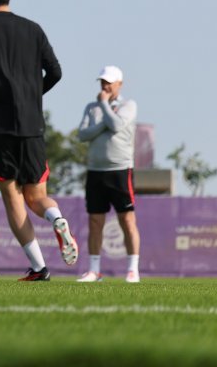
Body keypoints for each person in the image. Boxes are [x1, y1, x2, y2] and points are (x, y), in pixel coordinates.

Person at [0, 0, 77, 281]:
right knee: (37, 195)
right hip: (32, 123)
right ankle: (55, 217)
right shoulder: (34, 29)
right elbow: (55, 71)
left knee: (12, 196)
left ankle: (40, 267)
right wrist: (32, 94)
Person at [76, 65, 141, 283]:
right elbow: (82, 134)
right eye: (102, 82)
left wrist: (104, 107)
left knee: (127, 220)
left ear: (119, 84)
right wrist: (104, 119)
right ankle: (94, 270)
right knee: (95, 221)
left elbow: (116, 125)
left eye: (109, 82)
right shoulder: (91, 107)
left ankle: (132, 269)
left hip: (120, 171)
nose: (105, 86)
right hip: (96, 171)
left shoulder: (128, 105)